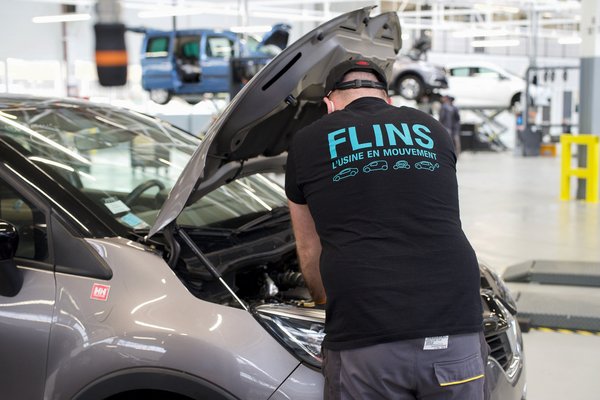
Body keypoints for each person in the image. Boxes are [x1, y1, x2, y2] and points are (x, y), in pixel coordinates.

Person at [285, 57, 487, 400]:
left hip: (367, 332)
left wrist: (322, 301)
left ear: (329, 105)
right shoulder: (432, 128)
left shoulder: (307, 142)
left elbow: (309, 248)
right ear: (387, 99)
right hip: (456, 322)